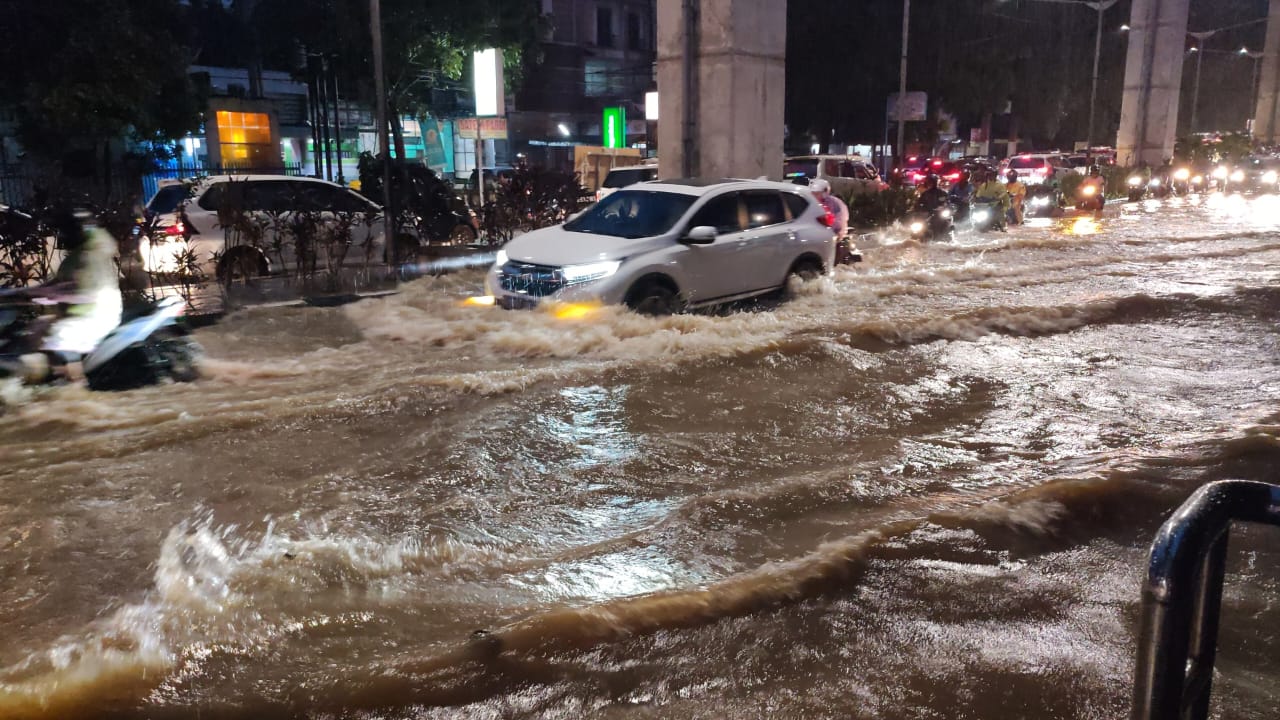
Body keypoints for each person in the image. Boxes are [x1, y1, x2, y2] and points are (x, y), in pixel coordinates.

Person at [1, 208, 121, 383]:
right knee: (32, 331)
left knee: (56, 337)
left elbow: (83, 292)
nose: (61, 236)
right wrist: (18, 293)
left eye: (64, 231)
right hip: (82, 313)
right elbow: (59, 283)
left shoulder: (89, 256)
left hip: (95, 316)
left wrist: (51, 294)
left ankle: (73, 390)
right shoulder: (81, 254)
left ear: (77, 231)